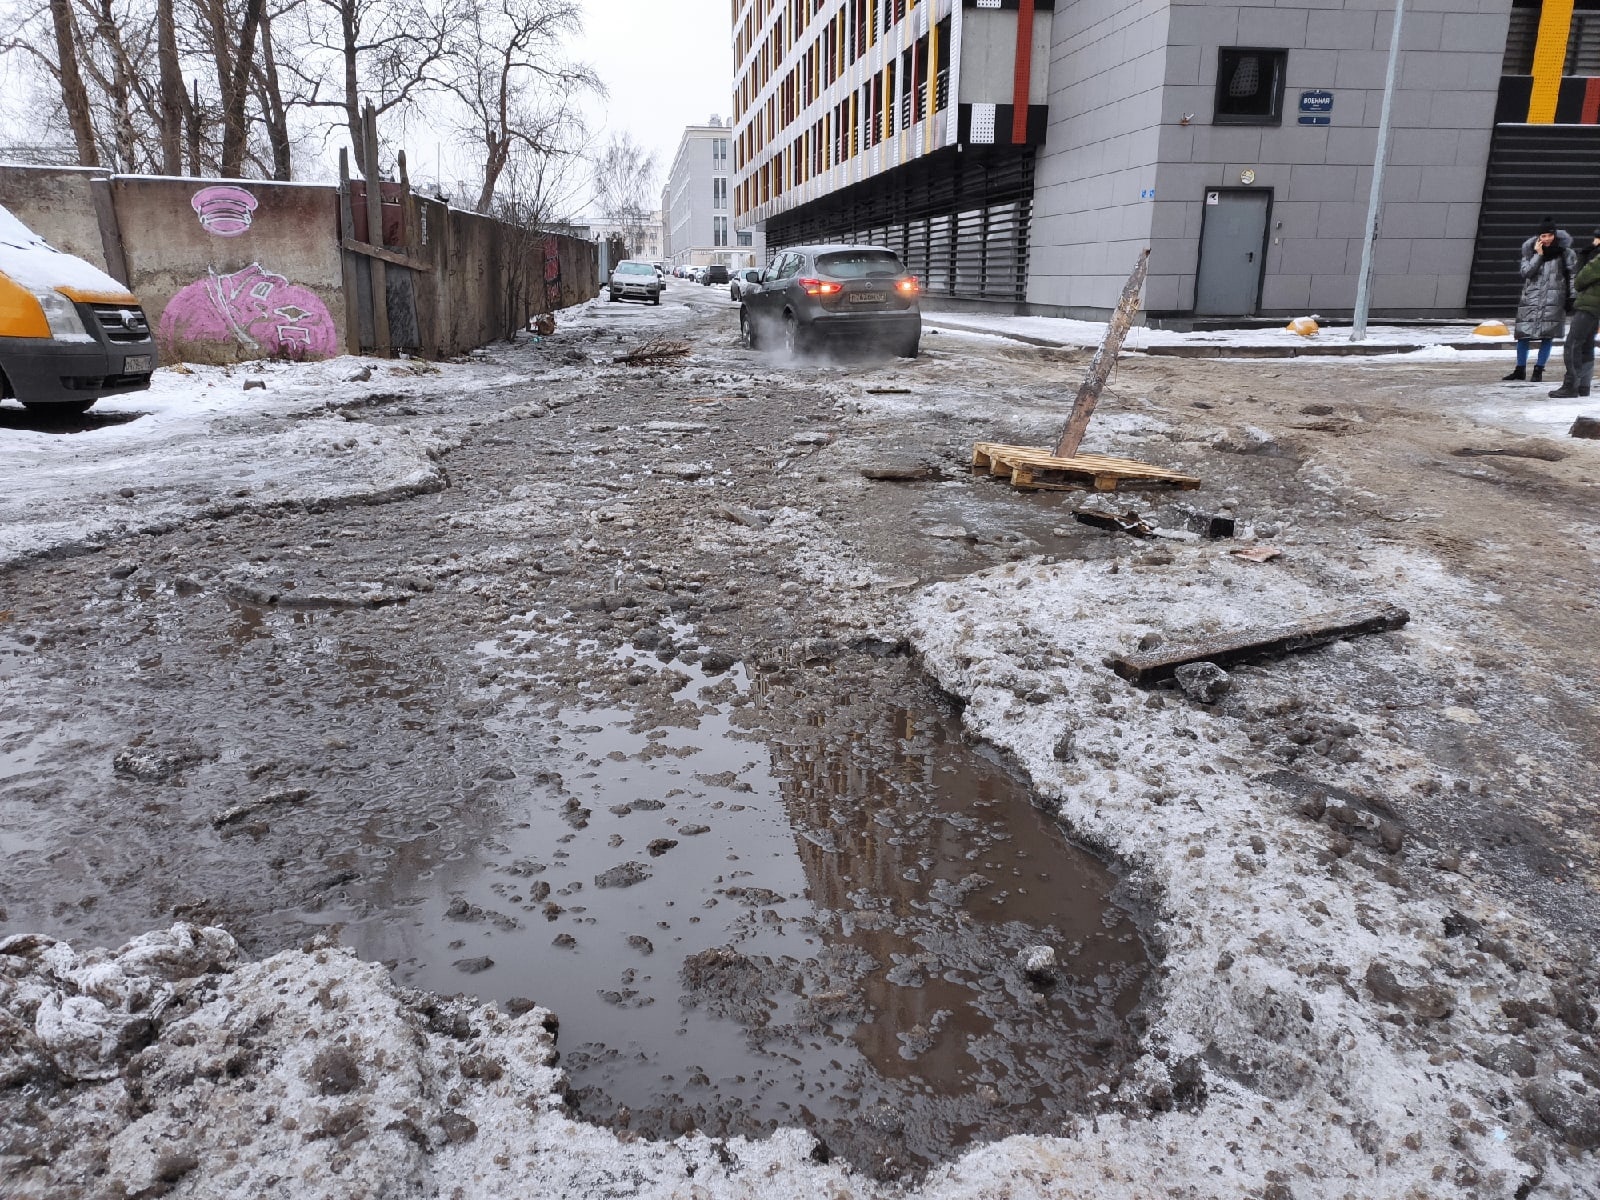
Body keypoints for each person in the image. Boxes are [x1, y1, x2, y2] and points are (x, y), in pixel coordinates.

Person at [1504, 218, 1577, 383]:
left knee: (1547, 336)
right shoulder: (1530, 251)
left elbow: (1573, 276)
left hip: (1554, 299)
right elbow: (1526, 273)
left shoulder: (1566, 253)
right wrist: (1538, 255)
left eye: (1549, 235)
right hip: (1531, 298)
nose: (1546, 239)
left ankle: (1538, 370)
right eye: (1543, 236)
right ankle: (1519, 369)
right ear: (1539, 237)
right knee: (1523, 335)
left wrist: (1572, 297)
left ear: (1555, 234)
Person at [1549, 228, 1600, 399]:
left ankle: (1570, 385)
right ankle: (1583, 386)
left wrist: (1585, 256)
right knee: (1587, 345)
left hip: (1589, 304)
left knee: (1572, 344)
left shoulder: (1598, 260)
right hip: (1596, 308)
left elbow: (1579, 281)